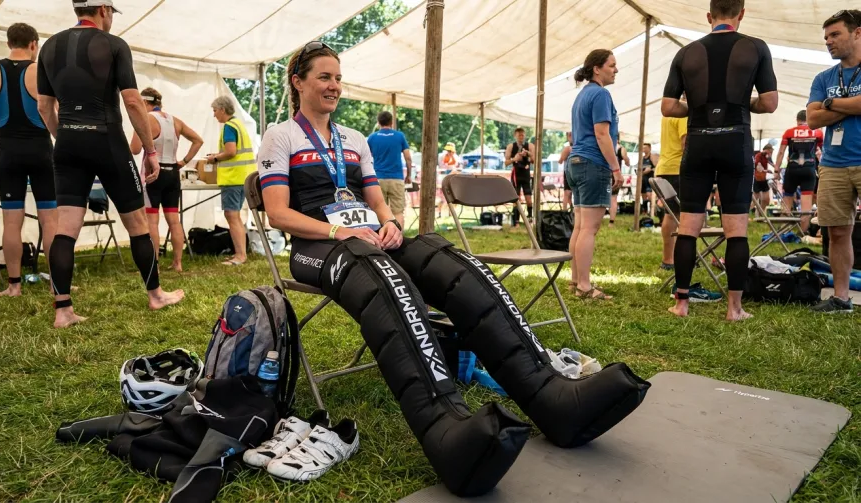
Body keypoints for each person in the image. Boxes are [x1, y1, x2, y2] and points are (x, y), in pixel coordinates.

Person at [256, 40, 648, 496]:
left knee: (450, 261)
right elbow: (278, 213)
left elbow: (379, 200)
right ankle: (446, 429)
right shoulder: (280, 136)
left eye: (338, 77)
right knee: (384, 279)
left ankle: (552, 393)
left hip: (368, 240)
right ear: (298, 82)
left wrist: (389, 224)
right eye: (323, 77)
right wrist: (338, 233)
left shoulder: (354, 140)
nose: (334, 86)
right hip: (316, 248)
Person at [36, 0, 185, 328]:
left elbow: (45, 106)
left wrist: (63, 138)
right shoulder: (115, 45)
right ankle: (156, 295)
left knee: (65, 230)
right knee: (137, 226)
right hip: (107, 140)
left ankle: (63, 311)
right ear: (103, 10)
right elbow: (133, 101)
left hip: (68, 141)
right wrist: (150, 150)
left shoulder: (48, 46)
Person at [661, 0, 778, 321]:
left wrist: (698, 109)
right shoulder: (756, 48)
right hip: (735, 139)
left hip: (698, 140)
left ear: (709, 16)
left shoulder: (686, 53)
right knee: (736, 229)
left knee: (688, 227)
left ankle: (681, 303)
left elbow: (669, 107)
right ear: (741, 14)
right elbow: (769, 103)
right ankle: (734, 308)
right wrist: (741, 104)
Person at [0, 23, 57, 297]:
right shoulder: (40, 70)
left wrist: (2, 124)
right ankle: (58, 283)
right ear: (34, 44)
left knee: (11, 221)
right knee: (51, 220)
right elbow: (54, 112)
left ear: (9, 43)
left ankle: (14, 286)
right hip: (42, 151)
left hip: (8, 152)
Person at [806, 9, 861, 313]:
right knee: (837, 231)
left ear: (857, 32)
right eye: (826, 37)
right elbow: (813, 118)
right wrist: (849, 105)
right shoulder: (824, 77)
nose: (828, 41)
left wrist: (830, 103)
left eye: (835, 34)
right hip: (834, 163)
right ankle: (841, 297)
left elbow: (822, 109)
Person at [567, 49, 623, 300]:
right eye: (612, 65)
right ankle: (585, 286)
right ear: (597, 68)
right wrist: (615, 167)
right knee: (589, 228)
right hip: (593, 163)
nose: (616, 70)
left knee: (580, 226)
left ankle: (576, 280)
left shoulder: (583, 94)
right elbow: (602, 134)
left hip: (576, 162)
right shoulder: (601, 94)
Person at [128, 87, 203, 272]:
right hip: (172, 173)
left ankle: (154, 264)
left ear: (145, 102)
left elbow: (135, 149)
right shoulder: (174, 120)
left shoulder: (145, 119)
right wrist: (184, 161)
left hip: (153, 172)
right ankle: (178, 263)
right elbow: (198, 140)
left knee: (151, 221)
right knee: (174, 221)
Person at [206, 96, 254, 266]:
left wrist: (215, 158)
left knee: (232, 216)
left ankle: (240, 256)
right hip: (244, 177)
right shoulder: (238, 124)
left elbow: (231, 151)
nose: (214, 115)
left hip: (233, 177)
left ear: (222, 110)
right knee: (236, 217)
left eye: (214, 111)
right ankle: (240, 253)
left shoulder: (228, 127)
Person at [774, 110, 824, 232]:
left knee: (787, 200)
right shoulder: (817, 132)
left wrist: (776, 169)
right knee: (806, 204)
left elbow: (781, 152)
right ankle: (803, 232)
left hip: (792, 169)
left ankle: (782, 231)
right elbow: (822, 152)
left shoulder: (789, 132)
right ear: (808, 119)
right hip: (809, 169)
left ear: (797, 120)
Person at [654, 105, 689, 270]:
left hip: (665, 167)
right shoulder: (683, 114)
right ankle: (676, 259)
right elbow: (685, 143)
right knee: (683, 217)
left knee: (671, 215)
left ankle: (669, 258)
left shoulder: (668, 114)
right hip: (678, 168)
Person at [367, 110, 412, 229]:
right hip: (396, 178)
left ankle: (380, 239)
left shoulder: (372, 137)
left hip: (377, 179)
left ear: (378, 122)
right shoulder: (399, 136)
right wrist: (409, 175)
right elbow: (408, 158)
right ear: (392, 122)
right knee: (398, 212)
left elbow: (364, 158)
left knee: (378, 210)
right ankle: (399, 240)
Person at [505, 127, 536, 226]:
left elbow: (535, 160)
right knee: (516, 198)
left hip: (525, 174)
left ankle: (530, 219)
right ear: (515, 136)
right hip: (516, 174)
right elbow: (506, 162)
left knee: (529, 199)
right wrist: (514, 159)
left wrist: (528, 154)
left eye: (522, 135)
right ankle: (516, 221)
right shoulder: (511, 146)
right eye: (519, 135)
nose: (521, 137)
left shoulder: (530, 146)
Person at [609, 140, 630, 225]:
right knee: (613, 198)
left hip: (605, 174)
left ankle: (606, 220)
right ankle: (611, 222)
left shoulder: (602, 143)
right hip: (614, 175)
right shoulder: (620, 148)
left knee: (606, 197)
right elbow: (627, 162)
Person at [753, 144, 775, 214]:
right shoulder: (758, 155)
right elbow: (758, 167)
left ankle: (759, 213)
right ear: (767, 150)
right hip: (758, 179)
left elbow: (772, 164)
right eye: (770, 151)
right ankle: (746, 214)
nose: (771, 153)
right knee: (754, 199)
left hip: (764, 179)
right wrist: (766, 171)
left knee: (766, 200)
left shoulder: (767, 157)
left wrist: (777, 169)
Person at [639, 143, 659, 215]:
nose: (644, 149)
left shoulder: (652, 156)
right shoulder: (642, 158)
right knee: (643, 196)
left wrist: (650, 169)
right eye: (643, 148)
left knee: (650, 196)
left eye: (646, 148)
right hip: (643, 179)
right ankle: (645, 211)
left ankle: (652, 211)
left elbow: (657, 166)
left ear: (649, 148)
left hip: (650, 179)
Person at [560, 132, 573, 210]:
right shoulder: (567, 148)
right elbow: (560, 160)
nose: (571, 137)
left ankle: (569, 210)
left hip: (574, 172)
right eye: (569, 135)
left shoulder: (580, 146)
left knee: (569, 193)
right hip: (569, 172)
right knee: (567, 193)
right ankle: (566, 211)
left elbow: (560, 160)